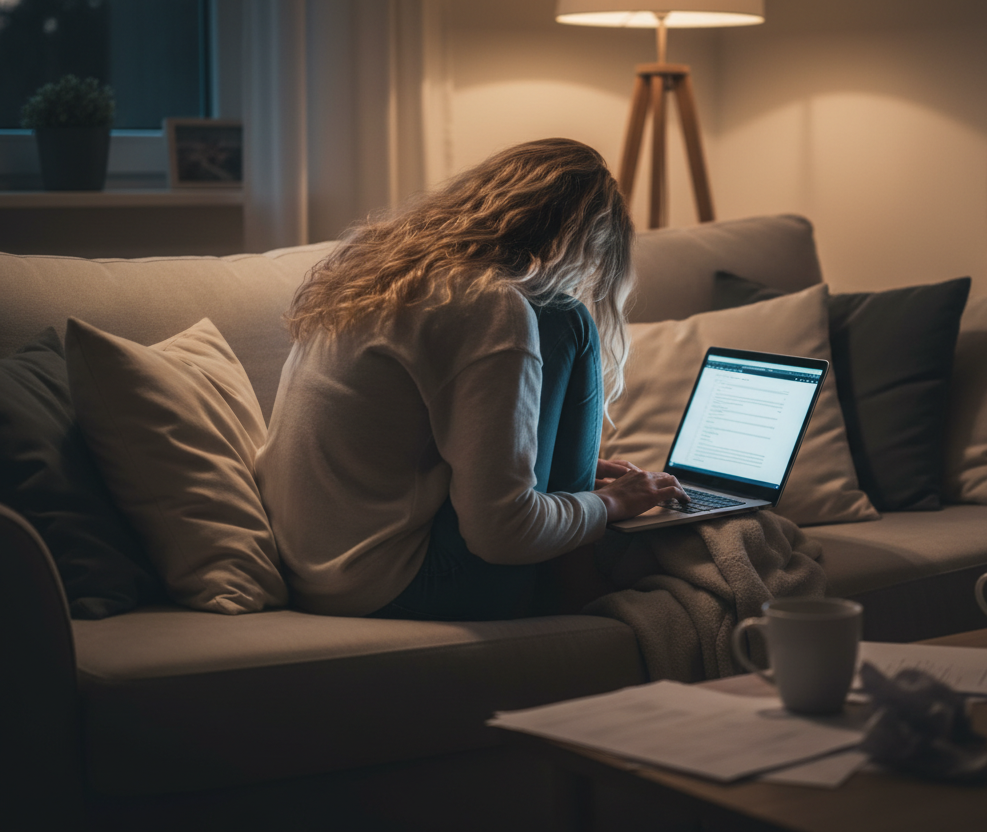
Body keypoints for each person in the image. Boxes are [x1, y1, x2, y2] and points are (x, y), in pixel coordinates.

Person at [256, 138, 687, 621]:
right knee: (567, 318)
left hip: (306, 571)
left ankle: (575, 526)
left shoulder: (376, 271)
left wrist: (535, 459)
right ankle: (575, 585)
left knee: (557, 318)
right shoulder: (490, 303)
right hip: (394, 585)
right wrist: (609, 503)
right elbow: (502, 534)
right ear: (581, 244)